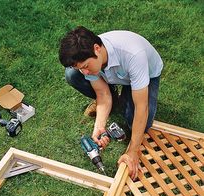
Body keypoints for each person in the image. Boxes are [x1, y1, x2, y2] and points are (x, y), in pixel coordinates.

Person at [59, 26, 163, 180]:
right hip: (111, 74)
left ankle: (126, 95)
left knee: (141, 122)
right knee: (72, 75)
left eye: (86, 66)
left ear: (97, 49)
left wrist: (133, 151)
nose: (85, 72)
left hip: (145, 74)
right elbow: (102, 93)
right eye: (81, 68)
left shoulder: (134, 55)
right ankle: (116, 99)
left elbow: (142, 107)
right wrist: (99, 126)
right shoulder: (88, 60)